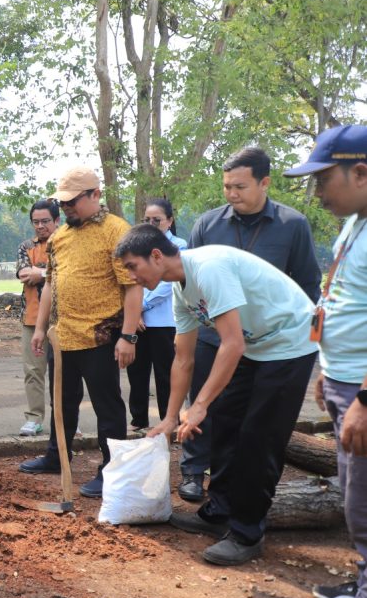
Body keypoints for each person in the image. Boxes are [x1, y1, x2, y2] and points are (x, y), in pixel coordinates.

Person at [116, 225, 317, 565]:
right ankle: (219, 511)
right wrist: (170, 418)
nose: (132, 277)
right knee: (224, 422)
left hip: (290, 341)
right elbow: (184, 359)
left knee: (259, 437)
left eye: (133, 266)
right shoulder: (180, 290)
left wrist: (199, 405)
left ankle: (247, 533)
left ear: (156, 256)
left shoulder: (208, 268)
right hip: (255, 345)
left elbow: (232, 344)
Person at [177, 146, 321, 502]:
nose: (231, 194)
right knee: (208, 407)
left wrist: (313, 342)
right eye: (227, 186)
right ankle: (194, 472)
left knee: (255, 421)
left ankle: (244, 502)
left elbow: (307, 287)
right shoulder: (208, 224)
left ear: (265, 183)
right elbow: (188, 277)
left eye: (240, 187)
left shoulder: (292, 225)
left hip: (270, 342)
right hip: (215, 336)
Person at [282, 125, 367, 598]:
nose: (317, 193)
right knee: (354, 493)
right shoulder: (355, 224)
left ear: (360, 172)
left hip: (362, 389)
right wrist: (326, 369)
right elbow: (342, 299)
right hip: (343, 378)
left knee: (364, 501)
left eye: (323, 179)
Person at [18, 166, 141, 500]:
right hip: (64, 336)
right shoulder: (59, 237)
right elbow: (50, 284)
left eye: (73, 201)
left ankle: (111, 469)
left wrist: (128, 336)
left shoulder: (117, 231)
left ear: (95, 195)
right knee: (62, 401)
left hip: (101, 336)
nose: (67, 207)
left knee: (107, 405)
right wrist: (40, 328)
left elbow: (133, 287)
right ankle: (56, 456)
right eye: (63, 202)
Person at [127, 198, 187, 432]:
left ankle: (168, 419)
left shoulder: (178, 246)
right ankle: (138, 419)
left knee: (166, 373)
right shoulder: (138, 246)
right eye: (147, 220)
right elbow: (131, 281)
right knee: (137, 372)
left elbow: (168, 284)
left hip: (165, 321)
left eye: (157, 220)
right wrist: (135, 314)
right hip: (139, 322)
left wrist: (140, 306)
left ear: (169, 221)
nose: (151, 224)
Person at [15, 199, 58, 436]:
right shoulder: (26, 246)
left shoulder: (65, 244)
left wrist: (40, 273)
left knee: (64, 372)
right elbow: (24, 274)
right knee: (33, 370)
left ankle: (66, 418)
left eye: (45, 221)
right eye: (35, 222)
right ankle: (34, 418)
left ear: (57, 220)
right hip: (32, 319)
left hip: (62, 319)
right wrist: (49, 273)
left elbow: (67, 273)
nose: (40, 226)